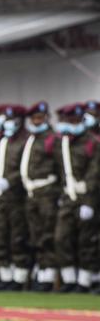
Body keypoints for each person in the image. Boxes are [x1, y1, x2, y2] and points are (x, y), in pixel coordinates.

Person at [53, 103, 99, 292]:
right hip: (67, 198)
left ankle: (85, 281)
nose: (72, 124)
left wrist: (88, 202)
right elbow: (58, 172)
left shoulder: (92, 143)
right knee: (61, 238)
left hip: (87, 197)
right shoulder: (62, 142)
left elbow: (95, 174)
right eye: (69, 121)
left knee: (86, 240)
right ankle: (70, 279)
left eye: (76, 121)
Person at [0, 104, 30, 290]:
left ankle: (19, 278)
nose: (9, 123)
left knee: (17, 239)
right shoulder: (2, 141)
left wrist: (9, 182)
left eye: (12, 120)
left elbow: (28, 170)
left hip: (18, 197)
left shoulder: (25, 141)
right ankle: (5, 275)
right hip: (1, 197)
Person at [20, 101, 61, 291]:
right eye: (34, 118)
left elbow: (62, 168)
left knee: (47, 235)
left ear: (46, 118)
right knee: (35, 235)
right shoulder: (31, 138)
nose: (37, 121)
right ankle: (42, 271)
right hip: (32, 193)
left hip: (47, 192)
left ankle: (49, 275)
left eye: (40, 117)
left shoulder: (52, 139)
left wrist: (61, 193)